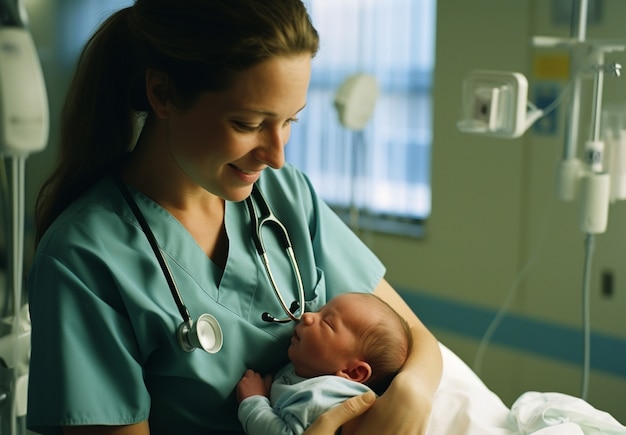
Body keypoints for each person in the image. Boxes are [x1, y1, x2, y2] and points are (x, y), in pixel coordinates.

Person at [26, 0, 443, 434]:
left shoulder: (285, 195)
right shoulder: (82, 259)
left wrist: (411, 395)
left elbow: (415, 341)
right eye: (247, 124)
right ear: (163, 94)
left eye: (289, 121)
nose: (276, 157)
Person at [236, 292, 413, 435]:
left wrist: (254, 402)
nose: (307, 316)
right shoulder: (315, 369)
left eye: (327, 322)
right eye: (320, 310)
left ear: (353, 372)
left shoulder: (323, 398)